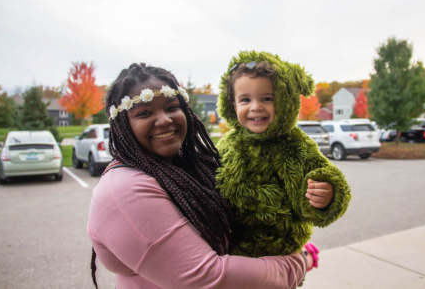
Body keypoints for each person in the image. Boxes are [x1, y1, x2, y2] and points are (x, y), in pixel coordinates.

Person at [87, 63, 308, 289]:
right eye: (144, 113)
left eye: (172, 107)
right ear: (123, 125)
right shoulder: (123, 191)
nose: (164, 120)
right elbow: (206, 278)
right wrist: (295, 264)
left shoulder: (187, 165)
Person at [216, 51, 352, 258]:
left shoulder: (294, 146)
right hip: (229, 248)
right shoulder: (227, 143)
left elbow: (319, 177)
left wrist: (327, 196)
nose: (256, 107)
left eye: (267, 98)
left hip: (278, 252)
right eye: (245, 100)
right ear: (233, 106)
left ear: (285, 101)